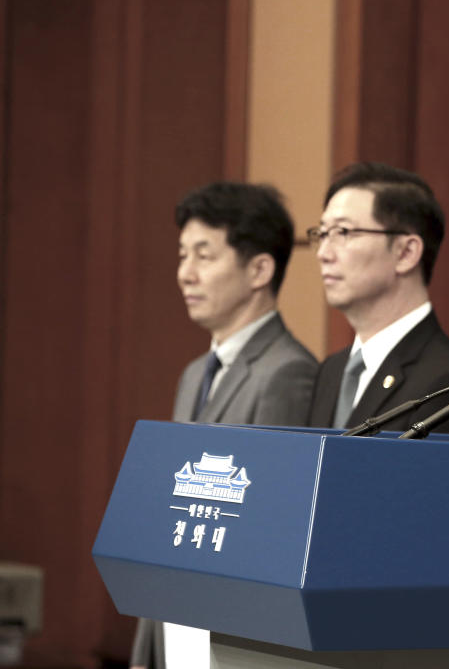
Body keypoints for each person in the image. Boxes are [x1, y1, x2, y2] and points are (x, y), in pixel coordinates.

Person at [130, 181, 320, 669]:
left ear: (259, 268)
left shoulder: (288, 371)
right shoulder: (195, 372)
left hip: (226, 638)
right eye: (182, 255)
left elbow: (266, 529)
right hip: (170, 623)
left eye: (204, 256)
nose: (185, 274)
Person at [308, 162, 449, 441]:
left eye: (343, 233)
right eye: (323, 233)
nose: (323, 253)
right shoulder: (331, 371)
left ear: (406, 253)